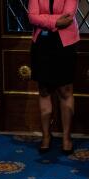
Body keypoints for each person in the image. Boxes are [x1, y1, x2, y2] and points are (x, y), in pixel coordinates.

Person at [28, 0, 79, 154]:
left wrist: (44, 19)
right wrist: (56, 21)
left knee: (65, 90)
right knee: (44, 90)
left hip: (65, 45)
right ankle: (46, 136)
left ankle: (66, 137)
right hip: (41, 44)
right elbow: (32, 17)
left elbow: (68, 19)